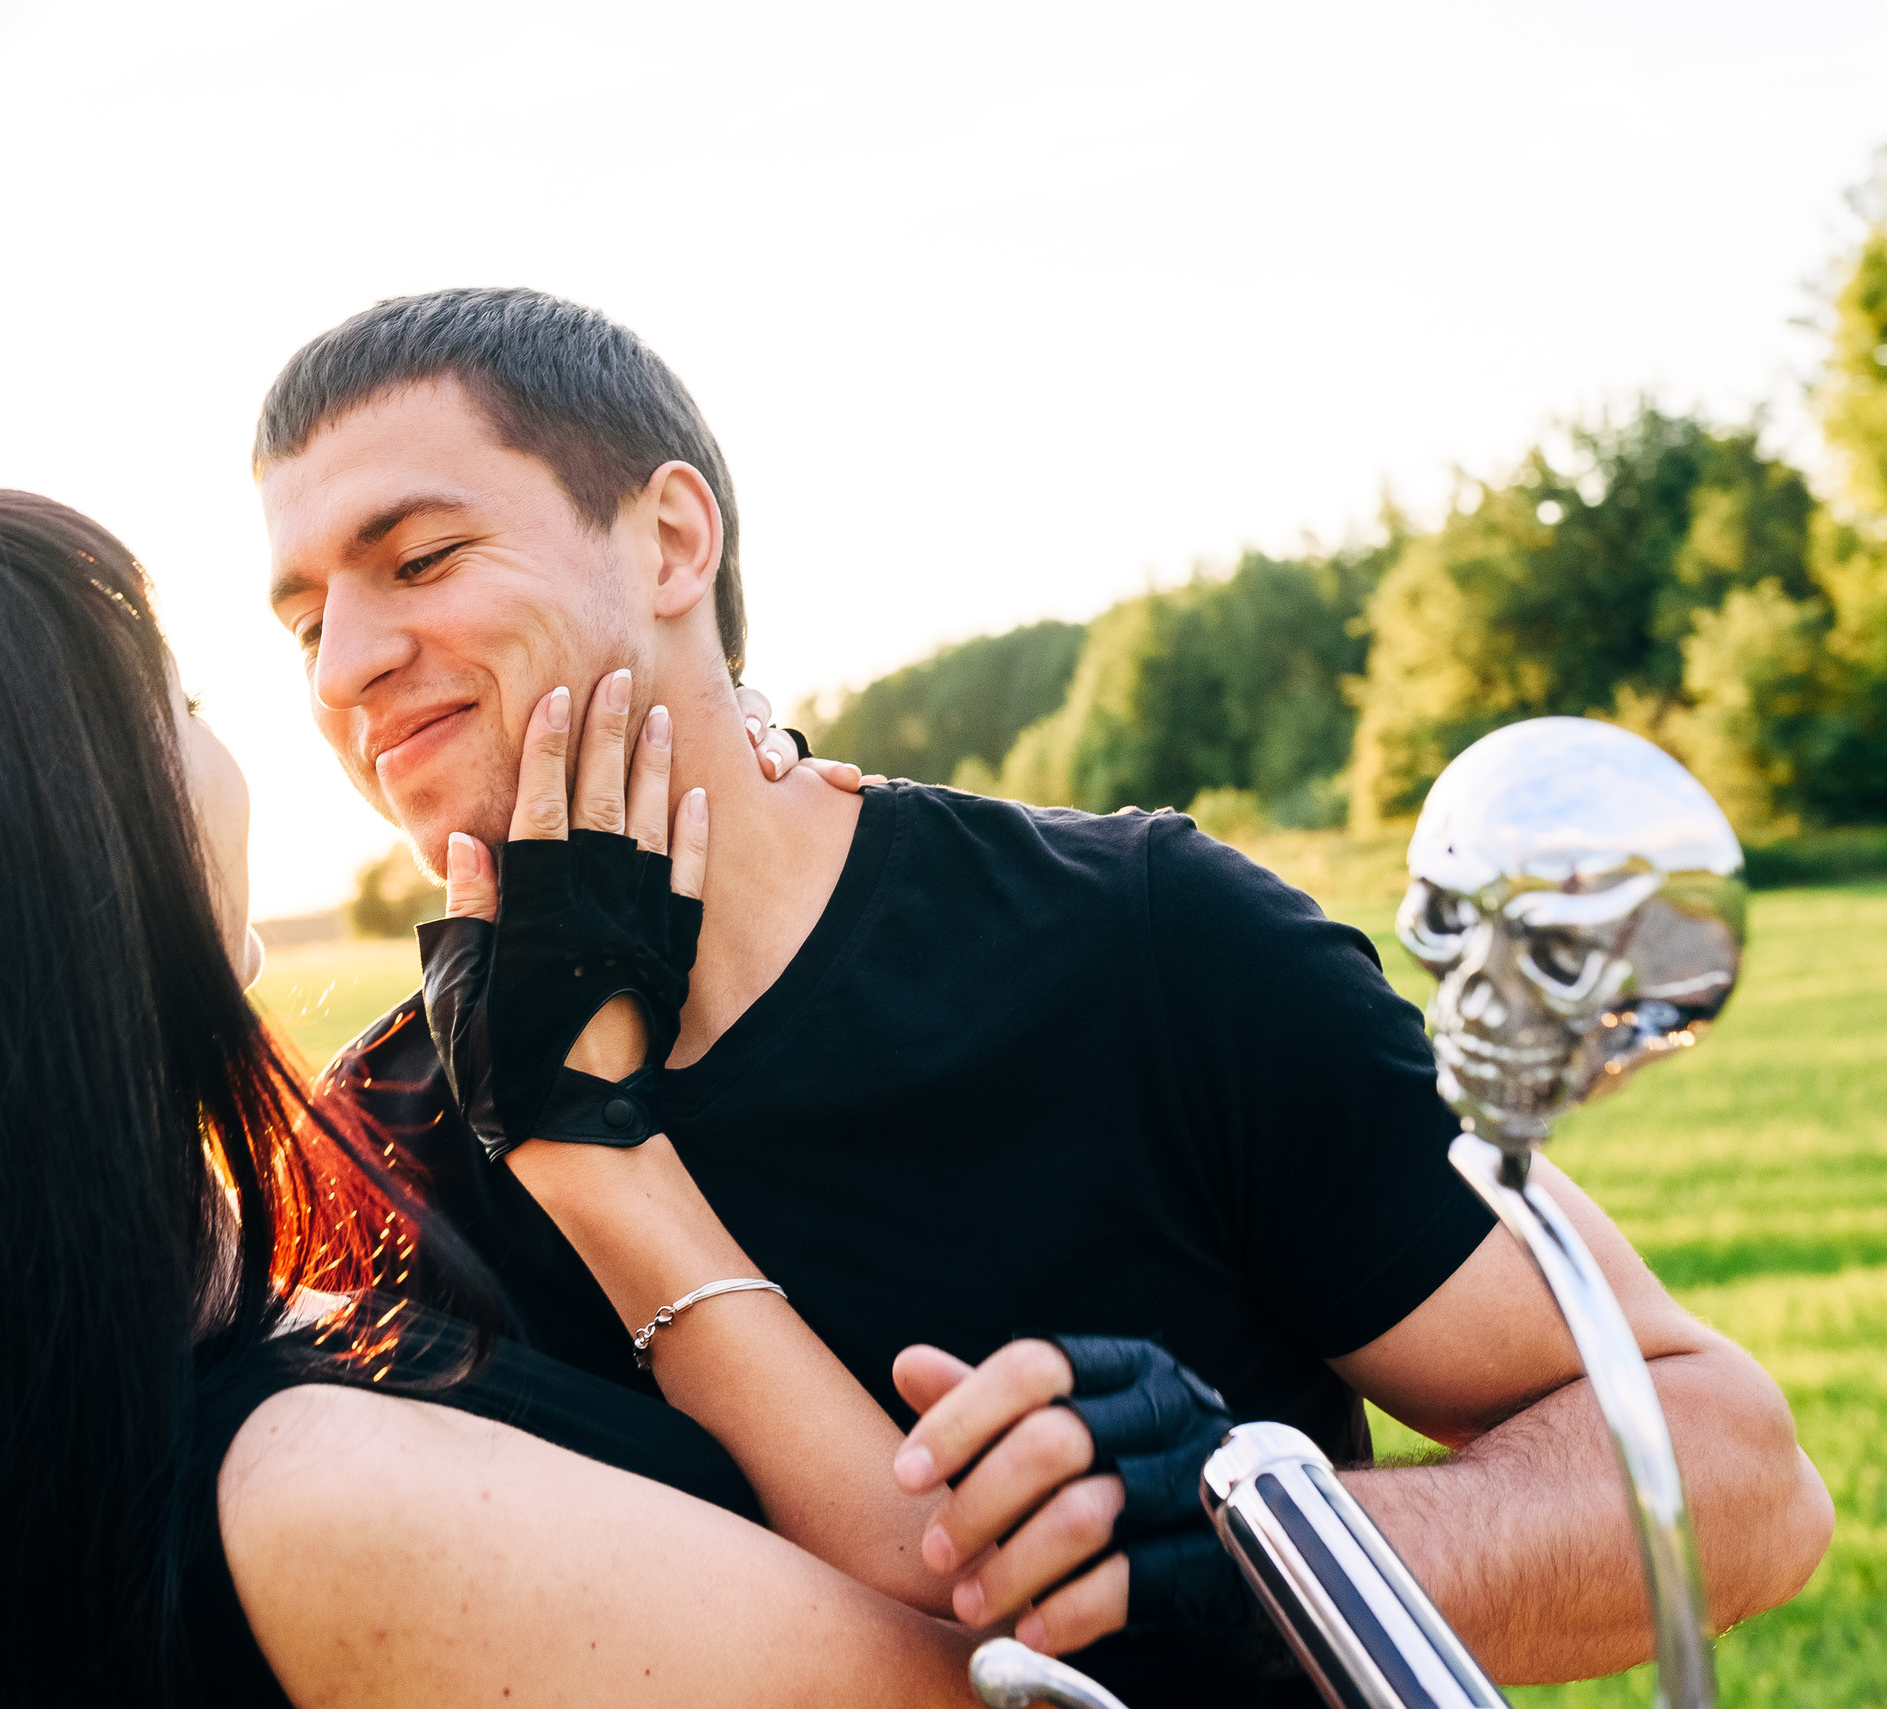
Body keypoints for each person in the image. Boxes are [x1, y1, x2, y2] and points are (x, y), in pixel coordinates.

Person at [255, 287, 1836, 1701]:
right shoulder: (370, 1147)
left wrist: (1269, 1556)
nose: (343, 670)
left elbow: (1740, 1479)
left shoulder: (1142, 943)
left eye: (422, 558)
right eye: (310, 621)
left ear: (672, 540)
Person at [0, 479, 1051, 1709]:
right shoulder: (332, 1512)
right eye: (181, 699)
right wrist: (600, 1156)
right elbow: (1009, 1686)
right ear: (58, 871)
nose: (317, 694)